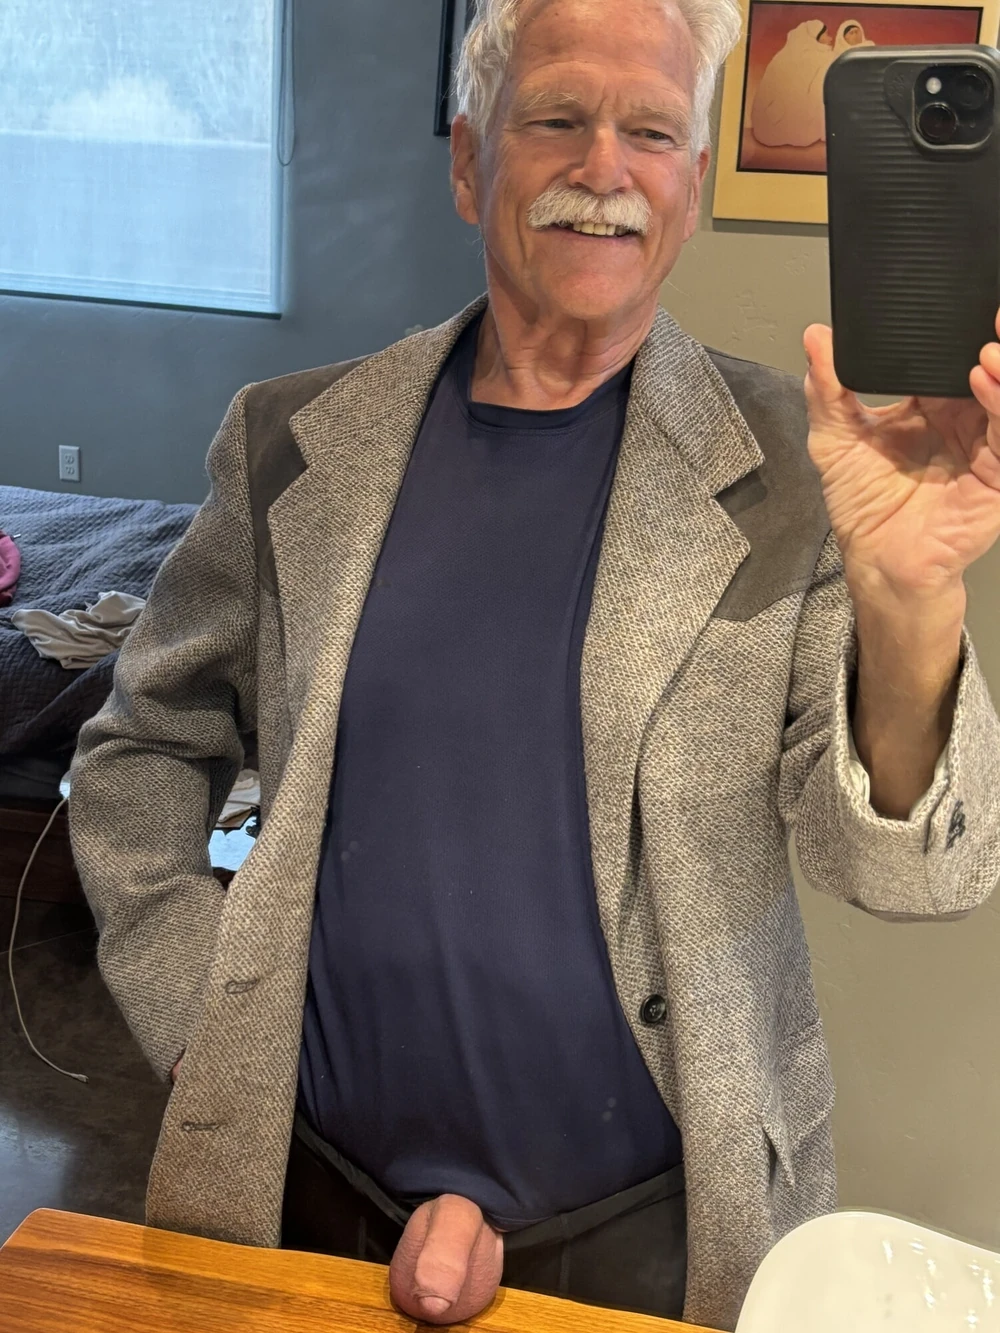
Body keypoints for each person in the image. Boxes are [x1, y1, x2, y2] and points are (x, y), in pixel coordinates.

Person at [69, 0, 1000, 1328]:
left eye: (652, 133)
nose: (603, 169)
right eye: (557, 118)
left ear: (691, 187)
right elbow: (142, 748)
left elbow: (909, 874)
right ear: (470, 161)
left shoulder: (799, 470)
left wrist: (909, 601)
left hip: (656, 1234)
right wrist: (197, 1016)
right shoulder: (291, 440)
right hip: (296, 1188)